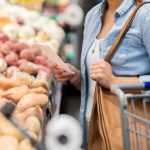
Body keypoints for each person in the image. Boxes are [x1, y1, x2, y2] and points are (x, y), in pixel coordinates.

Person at [50, 0, 150, 148]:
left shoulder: (145, 14)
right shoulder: (93, 15)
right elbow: (97, 84)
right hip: (91, 129)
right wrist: (77, 77)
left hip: (128, 132)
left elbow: (109, 80)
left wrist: (114, 81)